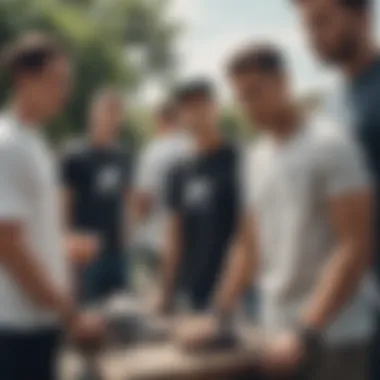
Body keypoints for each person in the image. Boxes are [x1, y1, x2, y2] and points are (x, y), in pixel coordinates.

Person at [182, 44, 373, 379]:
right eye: (241, 98)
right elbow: (248, 244)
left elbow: (355, 246)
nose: (249, 107)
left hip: (335, 338)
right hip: (275, 335)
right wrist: (217, 315)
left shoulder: (330, 145)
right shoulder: (255, 157)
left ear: (284, 82)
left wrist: (305, 330)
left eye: (256, 93)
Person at [0, 32, 104, 380]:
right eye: (56, 80)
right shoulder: (8, 144)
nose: (66, 91)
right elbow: (7, 245)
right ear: (24, 81)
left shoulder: (34, 140)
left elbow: (24, 231)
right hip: (19, 326)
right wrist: (70, 314)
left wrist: (63, 247)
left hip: (38, 321)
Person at [292, 0, 380, 378]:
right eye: (307, 27)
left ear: (363, 17)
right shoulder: (333, 105)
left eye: (322, 22)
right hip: (356, 307)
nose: (312, 37)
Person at [156, 79, 242, 313]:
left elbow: (249, 235)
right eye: (187, 108)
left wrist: (229, 294)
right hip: (191, 290)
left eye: (201, 104)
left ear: (215, 107)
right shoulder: (178, 170)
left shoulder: (241, 161)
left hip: (239, 294)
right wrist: (165, 292)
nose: (195, 113)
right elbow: (174, 234)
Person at [61, 88, 132, 305]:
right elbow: (64, 204)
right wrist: (68, 246)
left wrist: (127, 233)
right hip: (85, 253)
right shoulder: (74, 154)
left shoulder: (122, 155)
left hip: (117, 250)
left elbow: (126, 198)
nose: (111, 118)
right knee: (88, 313)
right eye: (106, 111)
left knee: (121, 312)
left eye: (116, 113)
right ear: (93, 114)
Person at [130, 101, 193, 292]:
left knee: (159, 299)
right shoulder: (192, 147)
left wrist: (135, 226)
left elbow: (143, 198)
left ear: (159, 120)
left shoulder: (153, 152)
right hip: (190, 239)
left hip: (157, 239)